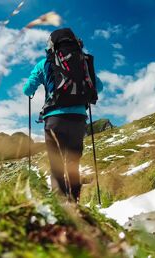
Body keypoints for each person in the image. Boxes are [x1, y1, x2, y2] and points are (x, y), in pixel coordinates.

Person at [23, 28, 103, 202]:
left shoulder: (45, 63)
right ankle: (74, 203)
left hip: (54, 119)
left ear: (52, 45)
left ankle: (60, 206)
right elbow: (99, 87)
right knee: (73, 163)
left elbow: (27, 89)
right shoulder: (83, 62)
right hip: (78, 120)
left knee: (57, 165)